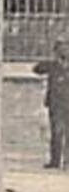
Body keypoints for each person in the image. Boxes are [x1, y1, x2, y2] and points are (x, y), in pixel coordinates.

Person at [33, 37, 69, 169]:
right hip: (56, 104)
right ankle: (55, 161)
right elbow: (36, 68)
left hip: (64, 103)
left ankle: (66, 162)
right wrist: (52, 62)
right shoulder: (52, 65)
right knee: (56, 133)